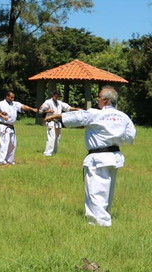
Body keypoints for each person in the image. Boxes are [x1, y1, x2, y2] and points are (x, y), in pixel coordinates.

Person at [46, 86, 135, 226]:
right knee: (108, 191)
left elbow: (77, 117)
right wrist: (114, 135)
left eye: (99, 97)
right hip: (115, 156)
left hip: (98, 157)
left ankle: (100, 223)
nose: (97, 100)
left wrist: (55, 116)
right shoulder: (124, 117)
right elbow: (130, 137)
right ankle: (103, 216)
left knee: (96, 190)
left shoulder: (95, 114)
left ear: (106, 100)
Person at [0, 91, 38, 165]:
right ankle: (0, 160)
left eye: (13, 97)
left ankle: (9, 160)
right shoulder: (0, 104)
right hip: (3, 126)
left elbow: (23, 106)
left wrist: (32, 109)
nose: (12, 99)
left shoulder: (15, 104)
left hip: (11, 127)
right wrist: (0, 114)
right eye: (11, 97)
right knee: (4, 144)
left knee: (12, 144)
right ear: (7, 96)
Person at [38, 90, 80, 156]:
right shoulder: (48, 102)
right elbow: (40, 111)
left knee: (57, 138)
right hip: (51, 121)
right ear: (53, 95)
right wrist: (48, 111)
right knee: (52, 137)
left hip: (58, 122)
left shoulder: (59, 103)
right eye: (56, 96)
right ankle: (47, 153)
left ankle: (54, 152)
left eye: (58, 96)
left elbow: (68, 108)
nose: (57, 97)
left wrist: (77, 109)